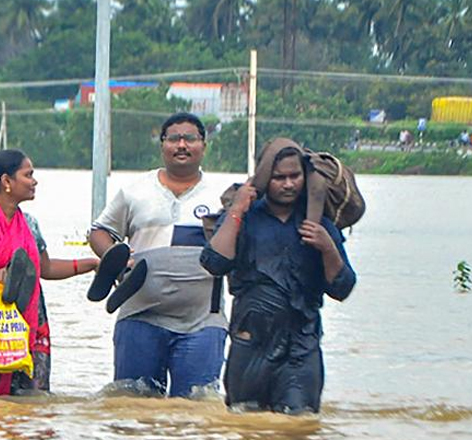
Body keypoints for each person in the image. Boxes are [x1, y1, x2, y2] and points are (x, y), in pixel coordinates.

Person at [200, 139, 357, 414]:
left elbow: (342, 288)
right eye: (278, 177)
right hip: (250, 343)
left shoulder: (319, 223)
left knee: (300, 422)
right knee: (244, 423)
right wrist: (237, 209)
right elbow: (214, 262)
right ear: (264, 179)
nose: (288, 184)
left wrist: (328, 248)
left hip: (302, 346)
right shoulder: (245, 218)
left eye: (294, 176)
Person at [0, 149, 100, 397]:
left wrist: (92, 264)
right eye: (28, 175)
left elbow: (45, 269)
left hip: (30, 324)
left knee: (33, 404)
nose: (34, 181)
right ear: (6, 181)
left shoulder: (30, 224)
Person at [87, 112, 228, 398]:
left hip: (202, 322)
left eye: (190, 138)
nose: (181, 145)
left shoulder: (222, 196)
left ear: (204, 145)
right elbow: (98, 231)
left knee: (196, 408)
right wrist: (115, 259)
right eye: (173, 139)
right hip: (140, 316)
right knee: (132, 406)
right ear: (162, 145)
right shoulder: (135, 191)